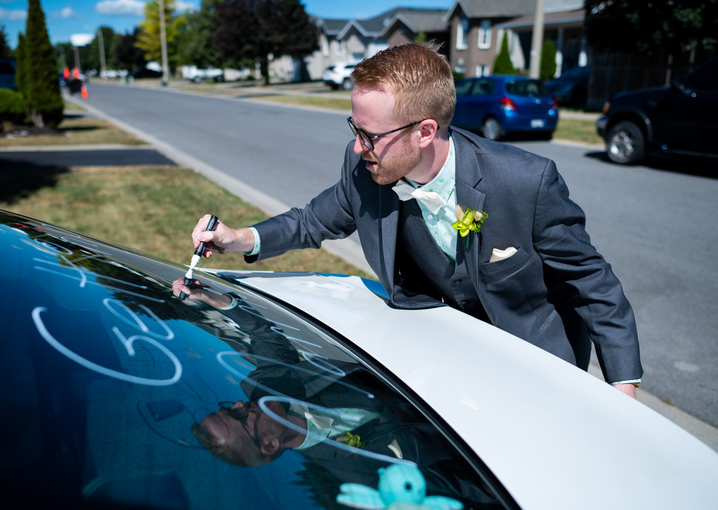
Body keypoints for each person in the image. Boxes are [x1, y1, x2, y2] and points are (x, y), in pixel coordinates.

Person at [188, 42, 643, 397]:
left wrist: (622, 392)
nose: (357, 147)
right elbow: (311, 221)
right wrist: (238, 237)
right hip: (442, 360)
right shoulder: (364, 171)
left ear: (425, 131)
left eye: (369, 135)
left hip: (537, 367)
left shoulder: (526, 182)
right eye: (354, 129)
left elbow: (593, 284)